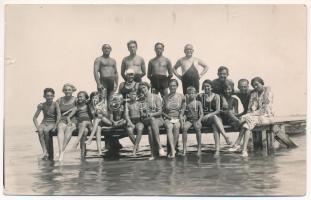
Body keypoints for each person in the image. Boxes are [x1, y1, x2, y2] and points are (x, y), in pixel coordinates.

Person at [229, 77, 274, 157]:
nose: (255, 87)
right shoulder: (254, 94)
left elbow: (264, 110)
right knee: (246, 125)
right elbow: (251, 107)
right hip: (256, 117)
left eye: (257, 85)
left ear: (262, 83)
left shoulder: (268, 93)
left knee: (247, 119)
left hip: (267, 116)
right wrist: (248, 115)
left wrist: (247, 115)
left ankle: (237, 143)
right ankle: (244, 150)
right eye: (254, 86)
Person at [197, 80, 232, 157]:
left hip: (213, 117)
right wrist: (203, 116)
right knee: (215, 120)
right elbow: (198, 109)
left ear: (211, 87)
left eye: (208, 86)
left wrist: (209, 115)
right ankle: (226, 137)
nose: (206, 88)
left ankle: (217, 150)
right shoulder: (200, 96)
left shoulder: (216, 96)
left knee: (215, 126)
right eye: (205, 86)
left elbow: (218, 110)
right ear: (203, 87)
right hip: (203, 118)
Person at [138, 82, 166, 160]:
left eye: (144, 88)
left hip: (159, 119)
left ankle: (153, 154)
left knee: (150, 129)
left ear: (148, 87)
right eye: (141, 89)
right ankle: (160, 148)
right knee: (152, 120)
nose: (143, 90)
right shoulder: (141, 100)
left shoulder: (156, 97)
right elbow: (141, 114)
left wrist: (151, 114)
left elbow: (160, 112)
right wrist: (146, 114)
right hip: (147, 119)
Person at [33, 88, 61, 159]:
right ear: (44, 96)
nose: (49, 97)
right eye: (47, 96)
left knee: (45, 131)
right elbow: (34, 118)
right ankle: (44, 151)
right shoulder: (41, 105)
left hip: (53, 122)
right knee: (40, 131)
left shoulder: (56, 104)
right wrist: (37, 127)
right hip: (44, 122)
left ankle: (48, 152)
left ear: (53, 96)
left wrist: (55, 126)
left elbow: (59, 116)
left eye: (51, 95)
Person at [162, 79, 185, 158]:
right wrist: (169, 117)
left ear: (177, 86)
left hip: (177, 118)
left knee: (176, 127)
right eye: (171, 85)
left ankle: (173, 150)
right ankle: (173, 150)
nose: (172, 87)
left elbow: (184, 108)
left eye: (174, 85)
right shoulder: (165, 97)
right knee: (169, 127)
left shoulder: (181, 96)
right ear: (168, 87)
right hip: (168, 118)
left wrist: (180, 116)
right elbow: (162, 111)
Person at [85, 88, 112, 156]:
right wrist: (95, 109)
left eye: (96, 98)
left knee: (98, 119)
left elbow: (107, 115)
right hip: (98, 123)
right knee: (98, 129)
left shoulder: (103, 102)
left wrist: (101, 111)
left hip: (108, 122)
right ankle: (99, 151)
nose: (95, 99)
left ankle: (90, 138)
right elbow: (93, 116)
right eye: (93, 98)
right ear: (91, 98)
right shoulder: (90, 105)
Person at [56, 83, 78, 161]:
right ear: (63, 91)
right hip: (63, 119)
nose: (67, 91)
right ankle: (60, 150)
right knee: (60, 127)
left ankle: (62, 151)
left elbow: (79, 109)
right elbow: (58, 113)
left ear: (72, 90)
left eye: (69, 90)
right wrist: (57, 123)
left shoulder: (76, 99)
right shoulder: (59, 100)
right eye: (65, 90)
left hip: (73, 118)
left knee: (69, 127)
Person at [180, 86, 203, 156]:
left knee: (198, 128)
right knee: (184, 128)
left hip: (196, 120)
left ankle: (199, 148)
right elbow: (181, 114)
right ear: (187, 94)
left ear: (196, 94)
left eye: (193, 93)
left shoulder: (198, 103)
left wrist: (199, 120)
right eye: (189, 93)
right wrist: (182, 122)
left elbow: (201, 113)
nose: (191, 95)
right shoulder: (185, 103)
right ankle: (184, 149)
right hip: (189, 120)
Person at [125, 90, 144, 156]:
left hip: (138, 120)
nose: (134, 96)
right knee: (129, 130)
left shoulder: (139, 103)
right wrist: (129, 122)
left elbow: (142, 114)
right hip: (131, 120)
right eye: (132, 94)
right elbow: (126, 115)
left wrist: (144, 114)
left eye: (135, 94)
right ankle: (137, 146)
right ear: (129, 95)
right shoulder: (127, 104)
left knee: (140, 128)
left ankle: (134, 149)